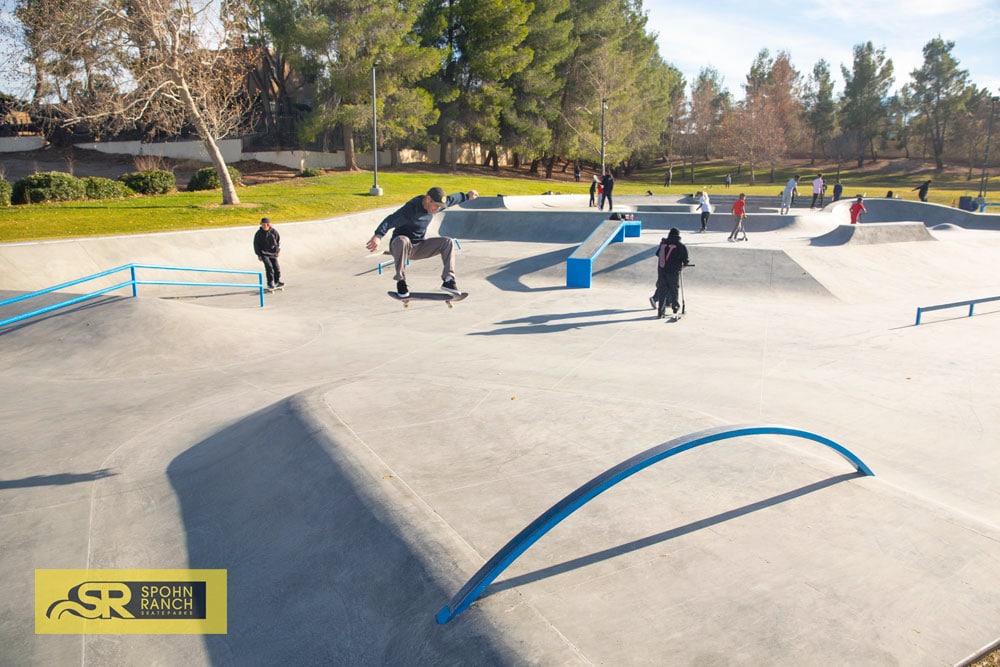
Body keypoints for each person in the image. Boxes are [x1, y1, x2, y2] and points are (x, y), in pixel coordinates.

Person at [366, 186, 478, 297]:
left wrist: (468, 196)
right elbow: (390, 220)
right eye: (436, 206)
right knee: (403, 240)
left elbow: (452, 199)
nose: (437, 209)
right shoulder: (410, 209)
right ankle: (401, 281)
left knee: (447, 242)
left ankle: (448, 280)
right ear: (428, 199)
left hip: (419, 246)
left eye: (440, 207)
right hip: (400, 247)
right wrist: (378, 236)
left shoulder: (435, 205)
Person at [650, 228, 690, 319]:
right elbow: (686, 261)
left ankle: (661, 312)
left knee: (662, 290)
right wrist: (681, 267)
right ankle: (675, 308)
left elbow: (658, 254)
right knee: (674, 289)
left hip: (662, 271)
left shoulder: (663, 244)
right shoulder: (680, 245)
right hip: (673, 271)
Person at [253, 217, 283, 290]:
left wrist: (278, 251)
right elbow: (256, 244)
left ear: (268, 225)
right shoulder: (258, 233)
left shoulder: (273, 232)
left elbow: (278, 241)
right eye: (263, 224)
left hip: (273, 253)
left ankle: (277, 281)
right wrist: (259, 255)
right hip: (264, 253)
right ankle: (270, 283)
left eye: (266, 224)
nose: (264, 226)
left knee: (276, 267)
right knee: (269, 267)